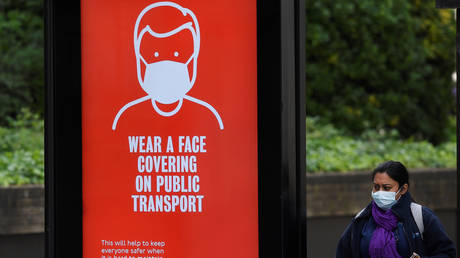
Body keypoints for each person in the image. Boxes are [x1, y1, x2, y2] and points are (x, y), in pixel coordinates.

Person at [335, 160, 456, 258]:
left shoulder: (421, 216)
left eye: (387, 188)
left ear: (403, 189)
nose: (379, 192)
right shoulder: (362, 219)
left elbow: (447, 253)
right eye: (376, 187)